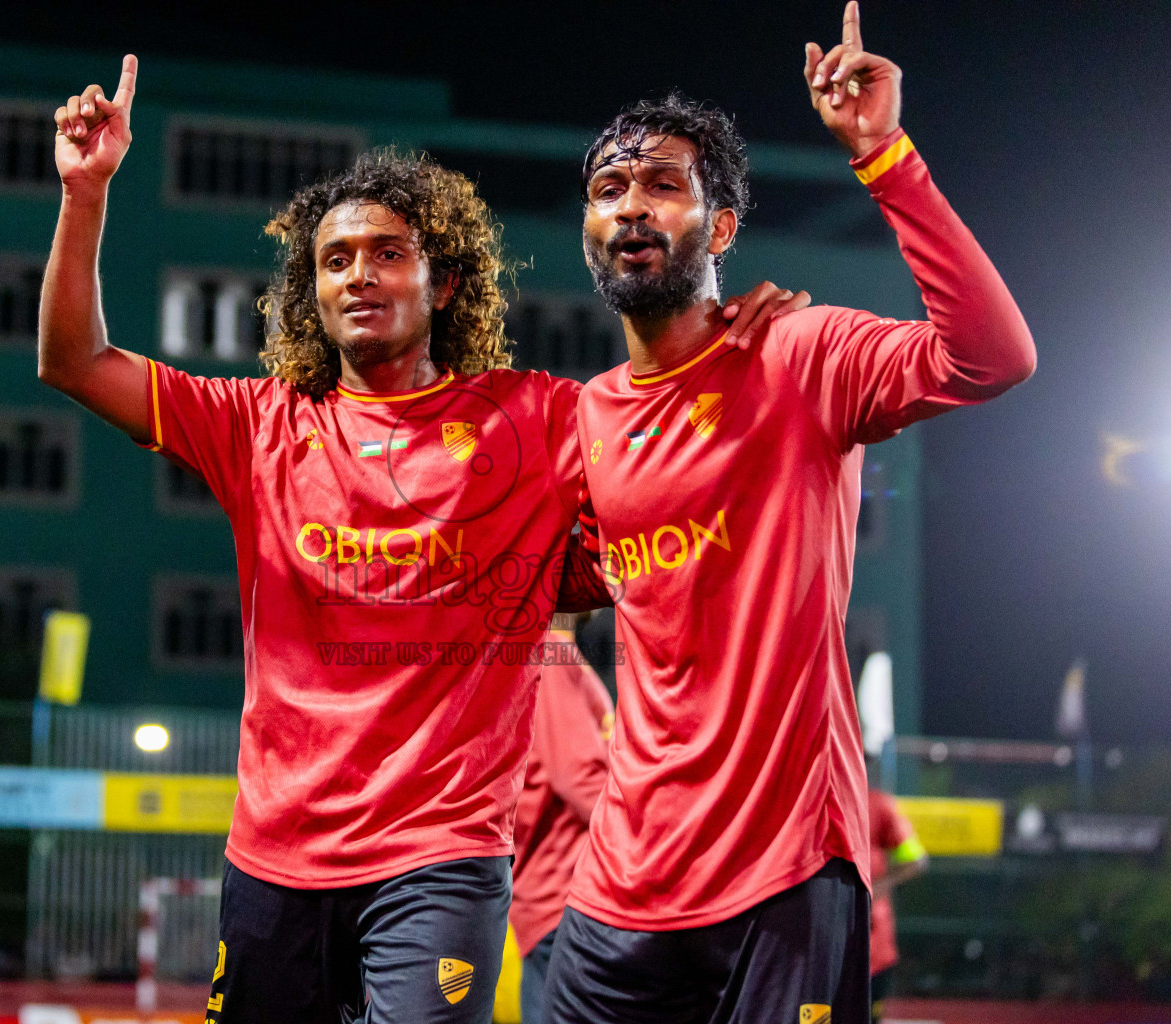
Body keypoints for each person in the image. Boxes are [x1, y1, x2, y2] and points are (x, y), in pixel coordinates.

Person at [40, 57, 804, 1024]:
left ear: (443, 284)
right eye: (335, 259)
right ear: (310, 291)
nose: (359, 274)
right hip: (271, 860)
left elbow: (660, 451)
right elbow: (73, 359)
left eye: (387, 253)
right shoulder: (258, 423)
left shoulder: (538, 418)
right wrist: (85, 192)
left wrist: (740, 337)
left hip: (439, 861)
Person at [544, 4, 1036, 1022]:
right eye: (609, 188)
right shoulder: (586, 417)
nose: (632, 206)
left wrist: (885, 157)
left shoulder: (801, 353)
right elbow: (545, 591)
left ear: (720, 226)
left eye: (664, 184)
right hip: (621, 884)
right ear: (589, 230)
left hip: (782, 873)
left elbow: (993, 357)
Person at [509, 613, 613, 1024]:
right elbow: (579, 778)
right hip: (566, 902)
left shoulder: (545, 651)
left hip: (553, 903)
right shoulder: (551, 651)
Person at [868, 786, 927, 1022]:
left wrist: (874, 889)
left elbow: (915, 859)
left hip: (873, 949)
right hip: (825, 947)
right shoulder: (814, 797)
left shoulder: (878, 804)